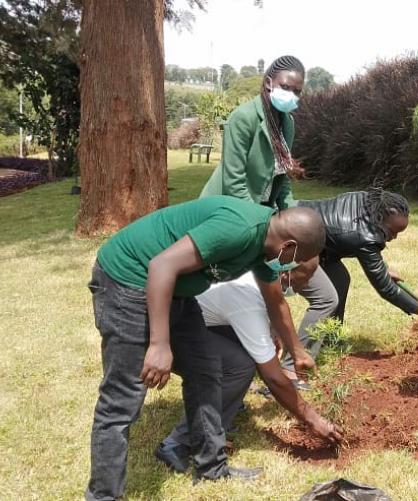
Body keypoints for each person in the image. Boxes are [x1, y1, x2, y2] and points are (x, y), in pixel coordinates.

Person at [85, 195, 324, 500]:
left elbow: (275, 301)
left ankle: (211, 467)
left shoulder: (265, 242)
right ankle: (103, 495)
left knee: (207, 369)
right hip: (129, 281)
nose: (290, 266)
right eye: (297, 259)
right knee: (122, 400)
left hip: (177, 291)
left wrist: (297, 350)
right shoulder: (239, 229)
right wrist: (159, 343)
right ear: (288, 246)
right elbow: (161, 266)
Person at [154, 257, 343, 472]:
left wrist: (274, 332)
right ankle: (178, 443)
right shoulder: (247, 295)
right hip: (161, 332)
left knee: (246, 353)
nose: (307, 284)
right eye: (306, 277)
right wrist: (312, 419)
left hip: (187, 318)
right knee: (239, 365)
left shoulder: (257, 276)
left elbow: (272, 309)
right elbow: (272, 377)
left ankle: (215, 423)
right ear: (284, 274)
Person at [276, 186, 418, 387]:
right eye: (392, 231)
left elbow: (358, 243)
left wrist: (381, 267)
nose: (393, 237)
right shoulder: (365, 236)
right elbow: (387, 290)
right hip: (295, 240)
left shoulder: (368, 202)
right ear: (380, 220)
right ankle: (293, 368)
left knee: (340, 279)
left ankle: (330, 339)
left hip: (314, 235)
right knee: (325, 300)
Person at [200, 55, 305, 209]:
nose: (291, 95)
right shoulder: (243, 117)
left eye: (297, 91)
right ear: (269, 83)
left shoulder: (288, 123)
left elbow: (283, 176)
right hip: (225, 209)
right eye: (285, 87)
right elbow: (234, 183)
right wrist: (260, 219)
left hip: (260, 209)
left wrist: (290, 212)